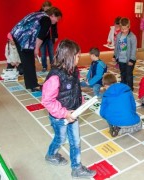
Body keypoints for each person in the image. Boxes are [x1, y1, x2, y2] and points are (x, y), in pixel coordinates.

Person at [41, 39, 96, 179]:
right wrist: (64, 113)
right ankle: (51, 154)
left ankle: (76, 168)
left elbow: (76, 90)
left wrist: (81, 103)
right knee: (60, 138)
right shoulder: (55, 77)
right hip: (59, 117)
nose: (80, 58)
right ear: (70, 57)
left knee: (75, 141)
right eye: (78, 56)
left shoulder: (74, 71)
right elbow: (47, 100)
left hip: (73, 113)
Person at [11, 7, 62, 92]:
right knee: (29, 62)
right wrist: (36, 49)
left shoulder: (40, 14)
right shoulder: (47, 20)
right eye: (57, 18)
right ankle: (33, 85)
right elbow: (40, 36)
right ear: (52, 15)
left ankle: (31, 82)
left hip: (18, 35)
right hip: (23, 39)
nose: (57, 21)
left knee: (27, 61)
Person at [100, 73, 142, 137]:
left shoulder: (106, 94)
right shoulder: (127, 89)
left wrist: (108, 117)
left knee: (108, 114)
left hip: (116, 122)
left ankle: (119, 128)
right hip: (132, 121)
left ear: (105, 85)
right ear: (115, 81)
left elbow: (102, 112)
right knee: (138, 124)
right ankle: (125, 128)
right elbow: (133, 105)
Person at [113, 17, 137, 91]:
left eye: (125, 29)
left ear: (129, 27)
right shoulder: (119, 35)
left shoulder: (132, 37)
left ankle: (130, 88)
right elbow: (116, 46)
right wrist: (114, 55)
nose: (124, 31)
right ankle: (123, 85)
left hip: (129, 59)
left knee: (129, 74)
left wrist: (132, 60)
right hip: (121, 59)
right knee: (122, 73)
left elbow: (133, 49)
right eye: (122, 29)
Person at [39, 1, 59, 72]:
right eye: (46, 9)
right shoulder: (40, 15)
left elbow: (54, 27)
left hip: (50, 38)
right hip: (42, 38)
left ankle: (52, 65)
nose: (47, 10)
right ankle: (44, 66)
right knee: (43, 53)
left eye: (49, 9)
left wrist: (56, 36)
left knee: (51, 52)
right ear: (43, 7)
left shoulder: (52, 15)